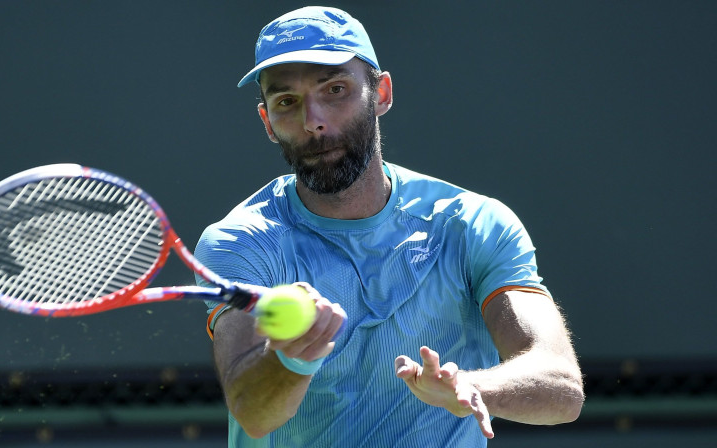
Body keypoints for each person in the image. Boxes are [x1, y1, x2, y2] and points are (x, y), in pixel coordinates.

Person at [195, 6, 584, 447]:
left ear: (380, 93)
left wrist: (473, 387)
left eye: (335, 89)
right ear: (267, 121)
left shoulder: (474, 224)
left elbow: (561, 386)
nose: (313, 121)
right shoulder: (241, 242)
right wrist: (292, 360)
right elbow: (252, 412)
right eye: (287, 102)